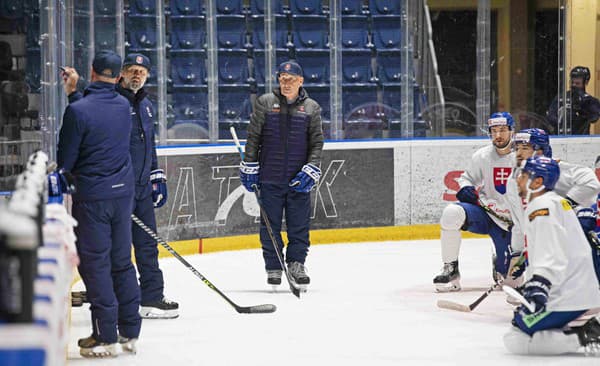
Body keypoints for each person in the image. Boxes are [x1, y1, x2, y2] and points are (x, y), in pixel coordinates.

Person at [63, 53, 178, 319]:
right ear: (120, 75)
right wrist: (73, 91)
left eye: (142, 71)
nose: (137, 74)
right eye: (131, 70)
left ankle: (151, 297)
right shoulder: (111, 102)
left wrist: (155, 173)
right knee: (116, 249)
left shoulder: (147, 104)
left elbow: (148, 142)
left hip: (141, 189)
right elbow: (85, 118)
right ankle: (112, 297)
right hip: (118, 189)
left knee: (148, 245)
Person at [57, 51, 140, 357]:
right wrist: (75, 93)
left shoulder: (79, 111)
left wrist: (74, 95)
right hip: (122, 196)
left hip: (92, 197)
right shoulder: (123, 105)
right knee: (121, 262)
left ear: (91, 71)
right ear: (118, 76)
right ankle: (129, 331)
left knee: (96, 265)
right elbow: (97, 111)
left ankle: (106, 336)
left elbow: (66, 160)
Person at [503, 156, 600, 356]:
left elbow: (552, 251)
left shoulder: (542, 206)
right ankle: (581, 332)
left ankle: (582, 337)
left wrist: (539, 285)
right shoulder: (555, 202)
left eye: (524, 175)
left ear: (537, 182)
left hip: (566, 295)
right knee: (523, 322)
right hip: (576, 289)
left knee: (516, 338)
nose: (518, 179)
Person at [239, 60, 324, 287]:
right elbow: (253, 138)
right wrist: (249, 165)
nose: (286, 84)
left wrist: (312, 167)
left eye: (291, 80)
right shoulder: (265, 103)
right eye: (282, 79)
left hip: (298, 180)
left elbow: (316, 143)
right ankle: (274, 265)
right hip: (269, 178)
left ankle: (296, 264)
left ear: (300, 81)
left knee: (299, 226)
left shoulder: (312, 108)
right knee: (269, 226)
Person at [433, 112, 515, 292]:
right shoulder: (482, 156)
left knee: (510, 283)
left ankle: (499, 261)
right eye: (494, 131)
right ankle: (451, 268)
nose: (498, 135)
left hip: (513, 223)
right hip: (487, 214)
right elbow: (466, 178)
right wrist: (465, 188)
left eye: (502, 130)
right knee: (451, 213)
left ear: (512, 131)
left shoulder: (522, 156)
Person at [506, 129, 600, 281]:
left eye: (525, 148)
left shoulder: (554, 168)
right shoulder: (514, 181)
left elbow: (590, 182)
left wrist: (565, 205)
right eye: (517, 148)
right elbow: (520, 223)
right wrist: (519, 255)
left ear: (541, 151)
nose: (518, 153)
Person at [546, 66, 600, 135]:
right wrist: (559, 121)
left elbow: (594, 117)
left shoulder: (590, 100)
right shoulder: (562, 98)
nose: (574, 85)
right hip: (560, 137)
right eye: (572, 82)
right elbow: (550, 116)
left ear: (586, 82)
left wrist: (584, 105)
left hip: (581, 139)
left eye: (577, 83)